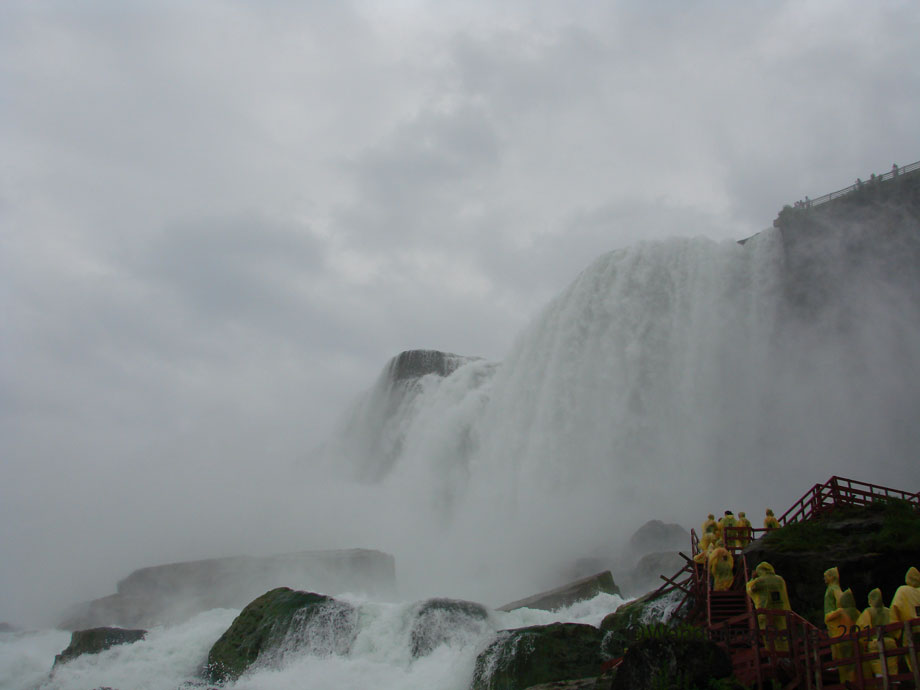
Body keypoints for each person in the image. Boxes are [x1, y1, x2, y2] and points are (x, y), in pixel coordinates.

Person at [746, 561, 792, 651]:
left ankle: (772, 655)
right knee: (782, 634)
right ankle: (785, 655)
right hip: (781, 612)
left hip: (765, 613)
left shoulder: (760, 581)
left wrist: (752, 579)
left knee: (768, 635)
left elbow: (750, 589)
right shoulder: (780, 579)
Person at [856, 588, 898, 678]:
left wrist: (865, 644)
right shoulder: (889, 611)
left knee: (880, 673)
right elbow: (896, 627)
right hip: (890, 642)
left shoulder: (868, 612)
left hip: (876, 643)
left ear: (870, 599)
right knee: (893, 672)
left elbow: (863, 629)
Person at [825, 589, 860, 683]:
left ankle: (847, 684)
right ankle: (854, 682)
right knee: (854, 665)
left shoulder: (841, 611)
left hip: (844, 641)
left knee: (845, 667)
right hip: (856, 641)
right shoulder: (857, 612)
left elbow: (827, 618)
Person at [890, 566, 920, 671]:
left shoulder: (902, 590)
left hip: (911, 631)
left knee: (914, 659)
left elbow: (894, 610)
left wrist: (895, 632)